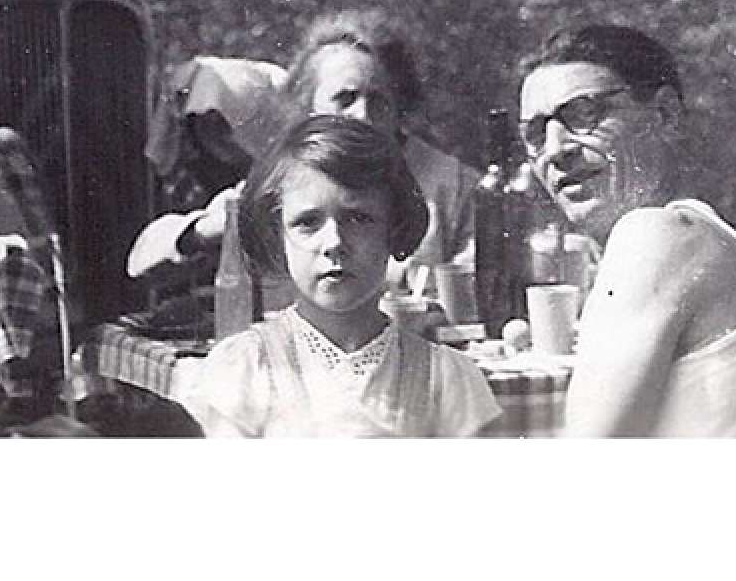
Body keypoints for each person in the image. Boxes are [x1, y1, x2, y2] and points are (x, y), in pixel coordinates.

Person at [520, 23, 736, 437]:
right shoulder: (700, 232)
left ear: (665, 115)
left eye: (585, 114)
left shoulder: (660, 237)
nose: (556, 150)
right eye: (535, 134)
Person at [184, 115, 501, 437]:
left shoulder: (444, 377)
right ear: (276, 236)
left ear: (394, 229)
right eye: (308, 222)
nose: (334, 243)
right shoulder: (247, 368)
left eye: (358, 218)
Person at [127, 11, 477, 291]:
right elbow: (140, 263)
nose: (363, 115)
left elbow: (480, 288)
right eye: (346, 99)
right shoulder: (283, 179)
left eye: (379, 101)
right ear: (309, 109)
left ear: (400, 107)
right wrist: (207, 231)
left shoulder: (451, 184)